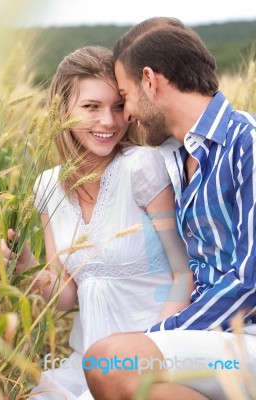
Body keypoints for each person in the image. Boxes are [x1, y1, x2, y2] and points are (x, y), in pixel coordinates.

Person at [1, 45, 193, 400]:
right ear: (63, 110)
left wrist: (150, 347)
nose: (109, 121)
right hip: (85, 362)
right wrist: (26, 265)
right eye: (91, 107)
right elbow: (65, 293)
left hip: (148, 358)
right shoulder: (47, 185)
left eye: (118, 106)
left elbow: (184, 273)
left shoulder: (141, 167)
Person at [82, 17, 256, 400]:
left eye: (125, 97)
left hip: (247, 337)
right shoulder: (173, 159)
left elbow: (250, 280)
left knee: (109, 362)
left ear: (150, 80)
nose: (126, 115)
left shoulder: (248, 144)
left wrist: (161, 337)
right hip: (213, 344)